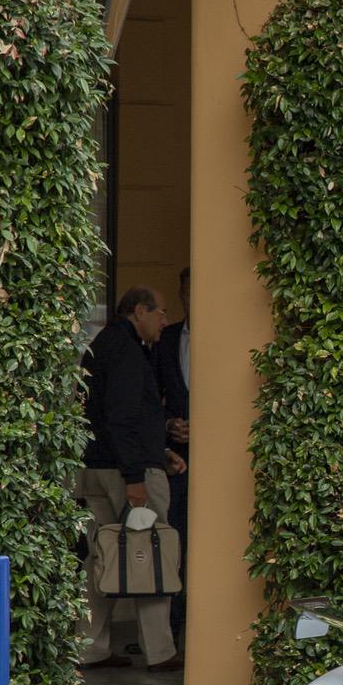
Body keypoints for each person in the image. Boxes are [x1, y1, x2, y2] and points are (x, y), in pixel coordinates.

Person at [80, 285, 186, 671]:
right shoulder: (126, 350)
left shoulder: (102, 345)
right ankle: (160, 651)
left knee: (101, 557)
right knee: (152, 552)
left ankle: (90, 647)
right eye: (160, 312)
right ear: (140, 311)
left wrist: (159, 449)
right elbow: (122, 417)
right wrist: (135, 475)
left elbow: (114, 416)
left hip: (96, 468)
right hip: (126, 473)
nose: (164, 321)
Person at [153, 267, 192, 643]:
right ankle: (175, 628)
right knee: (175, 539)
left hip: (216, 456)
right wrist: (168, 425)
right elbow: (151, 396)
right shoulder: (166, 340)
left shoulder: (223, 339)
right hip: (176, 459)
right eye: (187, 293)